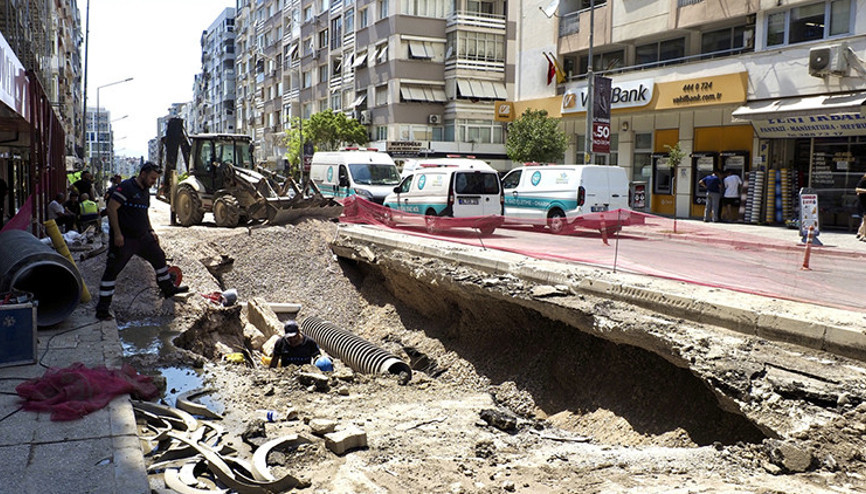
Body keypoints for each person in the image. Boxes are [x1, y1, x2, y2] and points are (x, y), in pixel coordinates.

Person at [95, 162, 188, 321]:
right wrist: (117, 234)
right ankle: (102, 309)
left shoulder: (145, 192)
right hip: (125, 239)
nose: (153, 181)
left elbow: (144, 214)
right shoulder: (126, 187)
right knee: (112, 271)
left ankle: (167, 289)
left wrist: (151, 230)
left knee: (159, 257)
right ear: (143, 174)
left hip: (143, 237)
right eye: (152, 178)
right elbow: (111, 209)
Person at [856, 172, 866, 241]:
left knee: (865, 219)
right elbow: (857, 189)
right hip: (863, 202)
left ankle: (860, 233)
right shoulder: (863, 181)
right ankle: (863, 234)